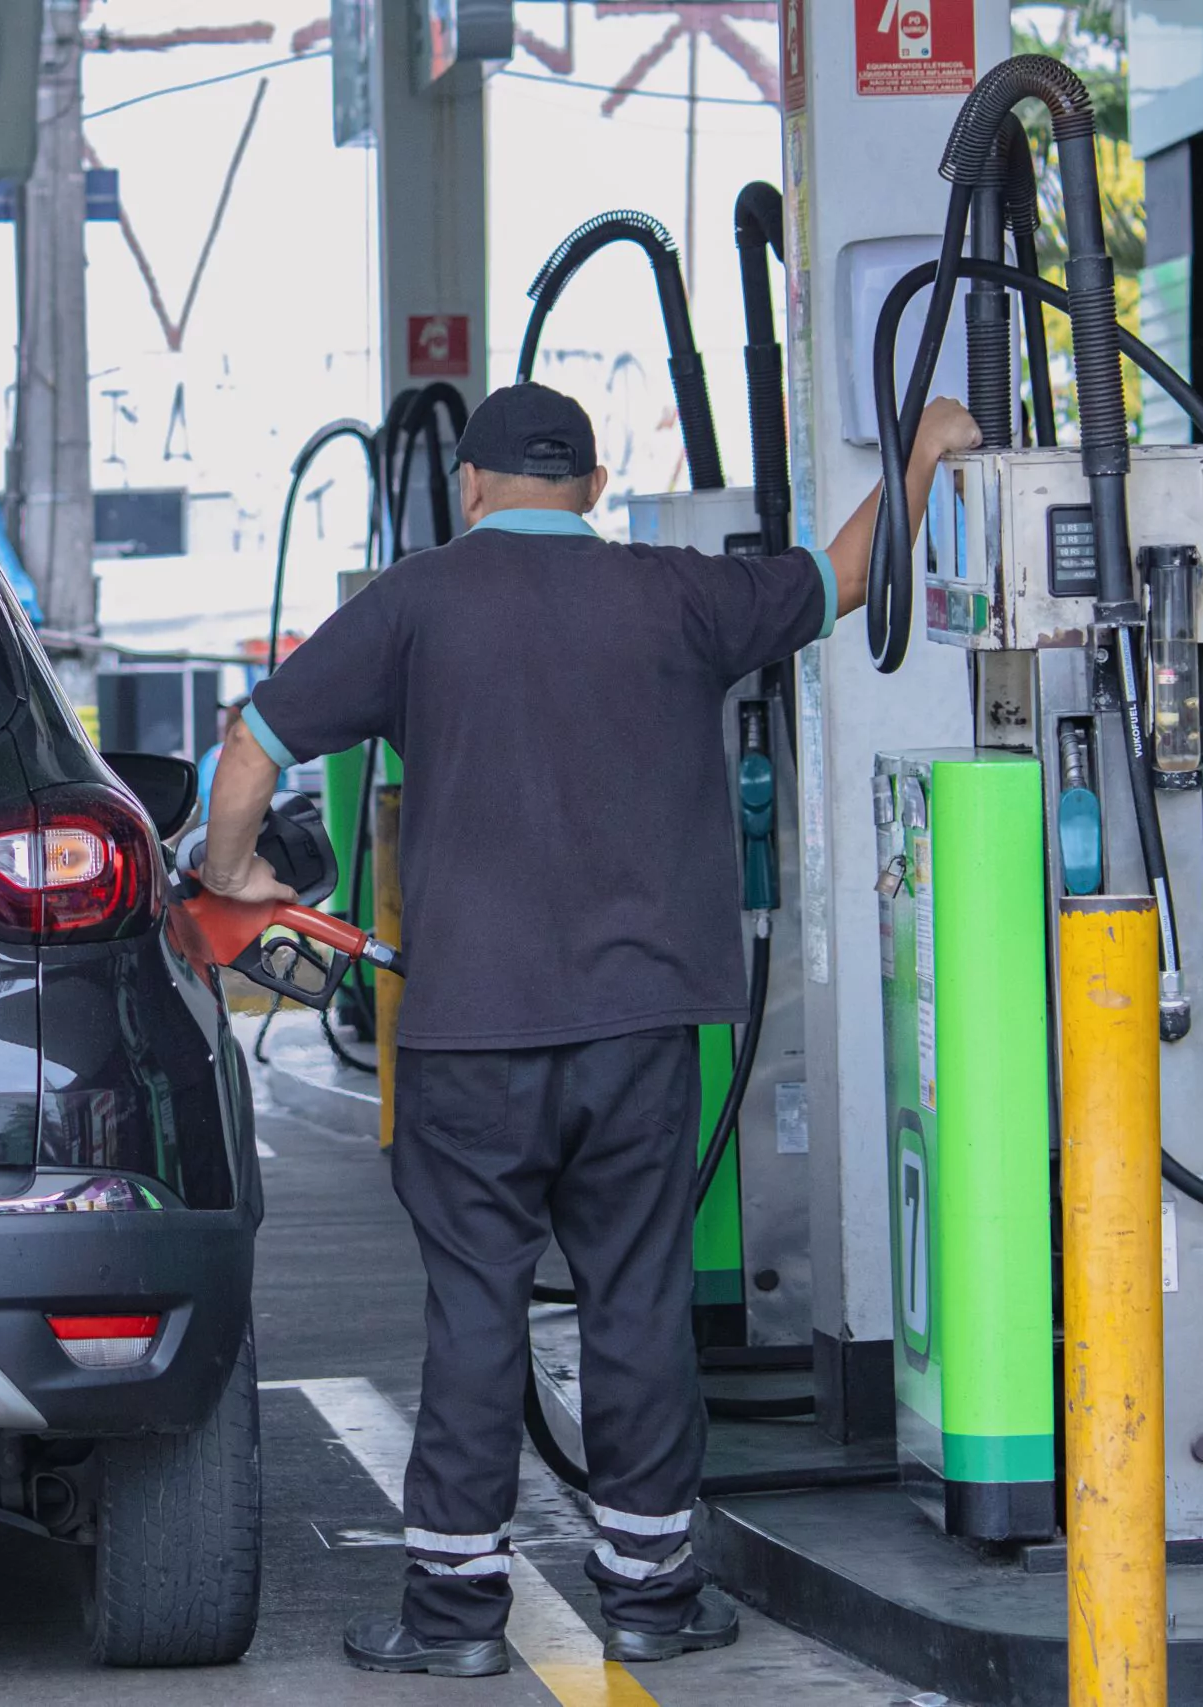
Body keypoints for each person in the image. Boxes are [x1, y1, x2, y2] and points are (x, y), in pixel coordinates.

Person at [199, 381, 982, 1676]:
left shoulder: (416, 601)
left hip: (468, 1036)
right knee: (637, 1303)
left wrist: (234, 874)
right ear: (597, 486)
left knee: (475, 1311)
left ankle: (451, 1622)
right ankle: (651, 1596)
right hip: (639, 1030)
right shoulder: (674, 593)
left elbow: (247, 749)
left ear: (470, 486)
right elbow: (844, 576)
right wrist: (922, 454)